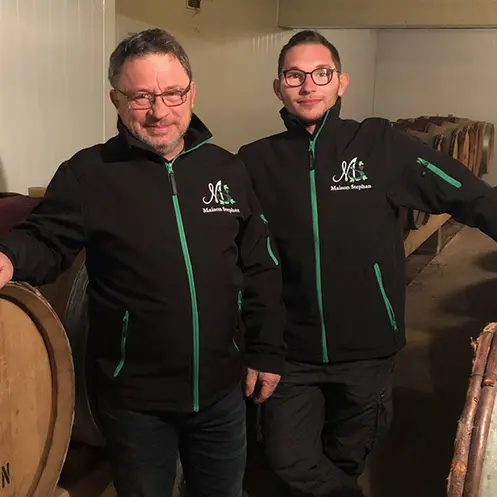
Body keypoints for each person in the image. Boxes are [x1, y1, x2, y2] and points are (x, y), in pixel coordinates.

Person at [0, 28, 285, 497]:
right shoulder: (89, 175)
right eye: (141, 97)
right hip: (135, 402)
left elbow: (260, 266)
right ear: (116, 99)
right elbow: (46, 240)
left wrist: (267, 351)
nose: (160, 111)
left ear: (191, 92)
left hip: (221, 392)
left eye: (173, 93)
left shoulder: (226, 170)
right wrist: (9, 257)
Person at [237, 30, 497, 497]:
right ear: (278, 87)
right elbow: (236, 252)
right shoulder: (255, 160)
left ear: (342, 82)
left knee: (349, 455)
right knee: (288, 457)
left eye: (322, 73)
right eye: (294, 75)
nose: (308, 85)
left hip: (368, 347)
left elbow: (467, 194)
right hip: (291, 351)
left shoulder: (379, 144)